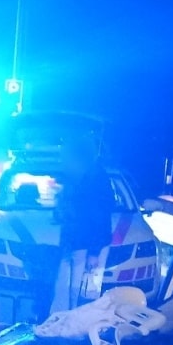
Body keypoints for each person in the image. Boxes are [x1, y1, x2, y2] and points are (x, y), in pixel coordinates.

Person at [50, 131, 115, 315]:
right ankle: (63, 323)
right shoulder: (77, 177)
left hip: (87, 246)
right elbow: (70, 211)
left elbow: (99, 218)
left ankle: (78, 326)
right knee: (65, 291)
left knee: (82, 294)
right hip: (74, 243)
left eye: (65, 155)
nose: (62, 160)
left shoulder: (94, 179)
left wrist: (94, 252)